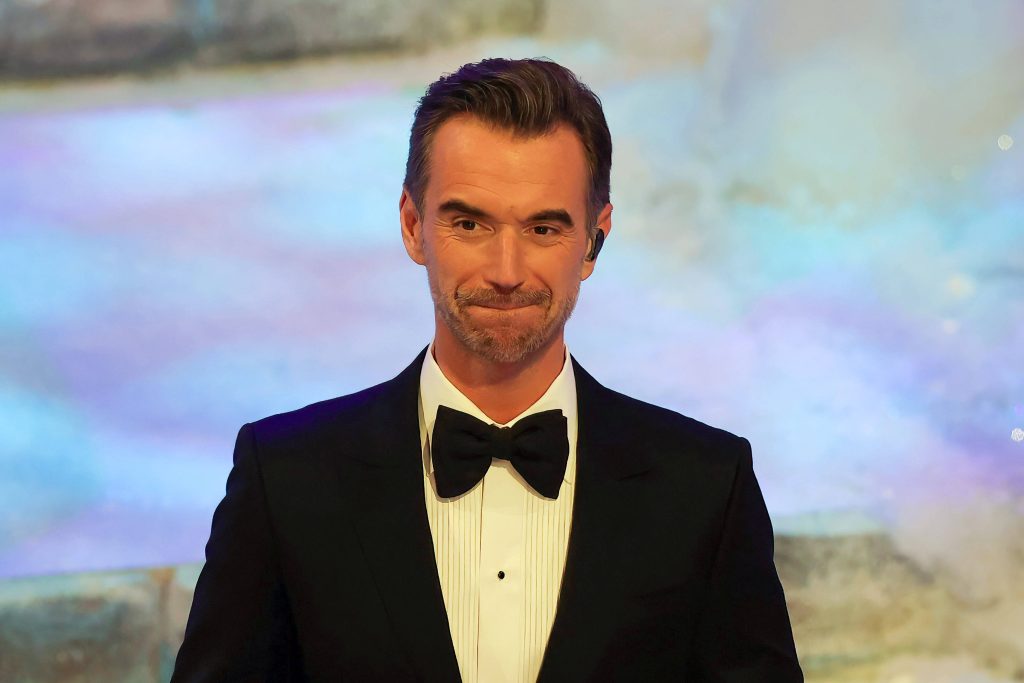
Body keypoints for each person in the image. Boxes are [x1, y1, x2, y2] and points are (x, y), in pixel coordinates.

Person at [171, 57, 803, 682]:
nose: (506, 271)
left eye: (543, 228)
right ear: (413, 226)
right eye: (470, 224)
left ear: (594, 239)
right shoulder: (287, 479)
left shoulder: (704, 487)